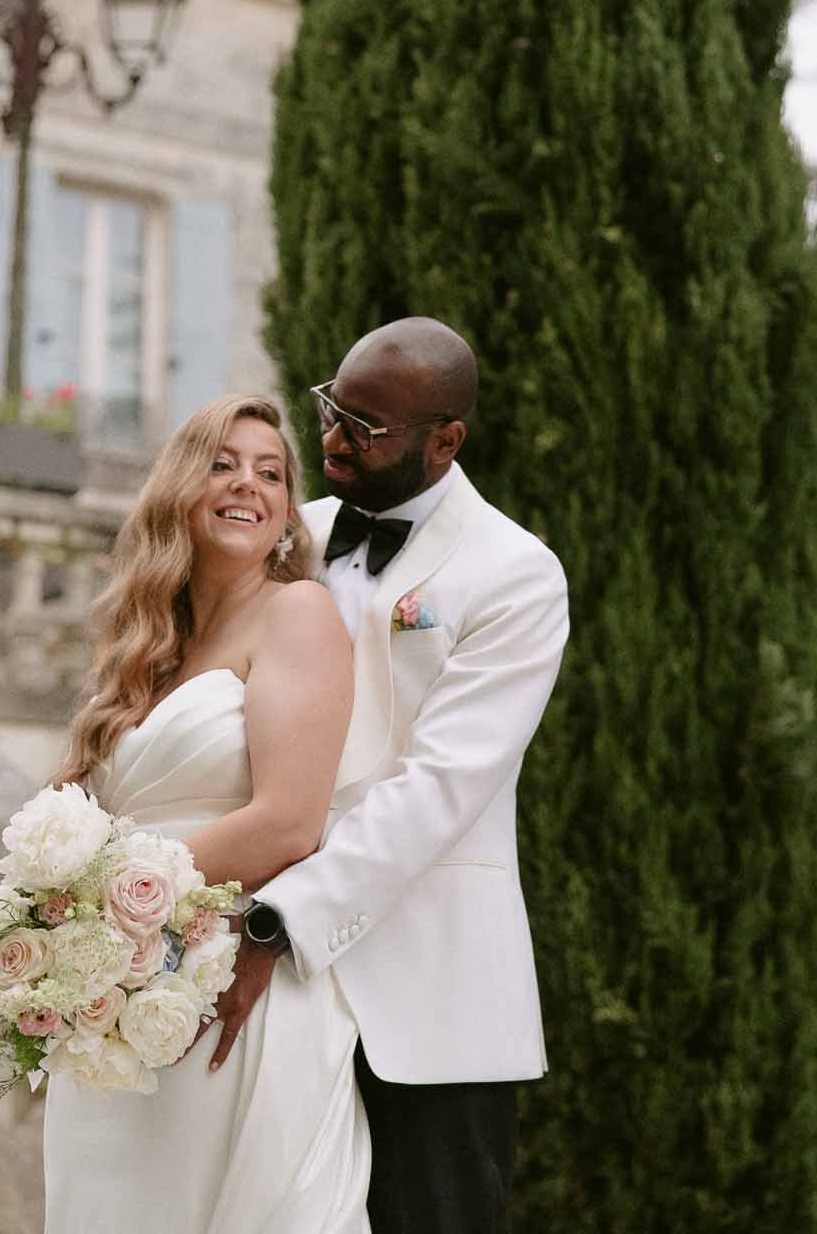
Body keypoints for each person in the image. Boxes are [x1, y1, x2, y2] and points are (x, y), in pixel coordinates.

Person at [211, 318, 569, 1234]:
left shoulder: (516, 574)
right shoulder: (291, 537)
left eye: (366, 428)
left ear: (444, 441)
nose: (331, 440)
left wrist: (277, 921)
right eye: (331, 409)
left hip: (433, 1003)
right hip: (276, 999)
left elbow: (441, 789)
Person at [42, 393, 370, 1234]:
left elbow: (289, 822)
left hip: (227, 985)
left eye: (270, 473)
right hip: (116, 999)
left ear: (286, 513)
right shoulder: (144, 646)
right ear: (179, 489)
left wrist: (105, 902)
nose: (247, 485)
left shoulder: (297, 613)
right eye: (222, 464)